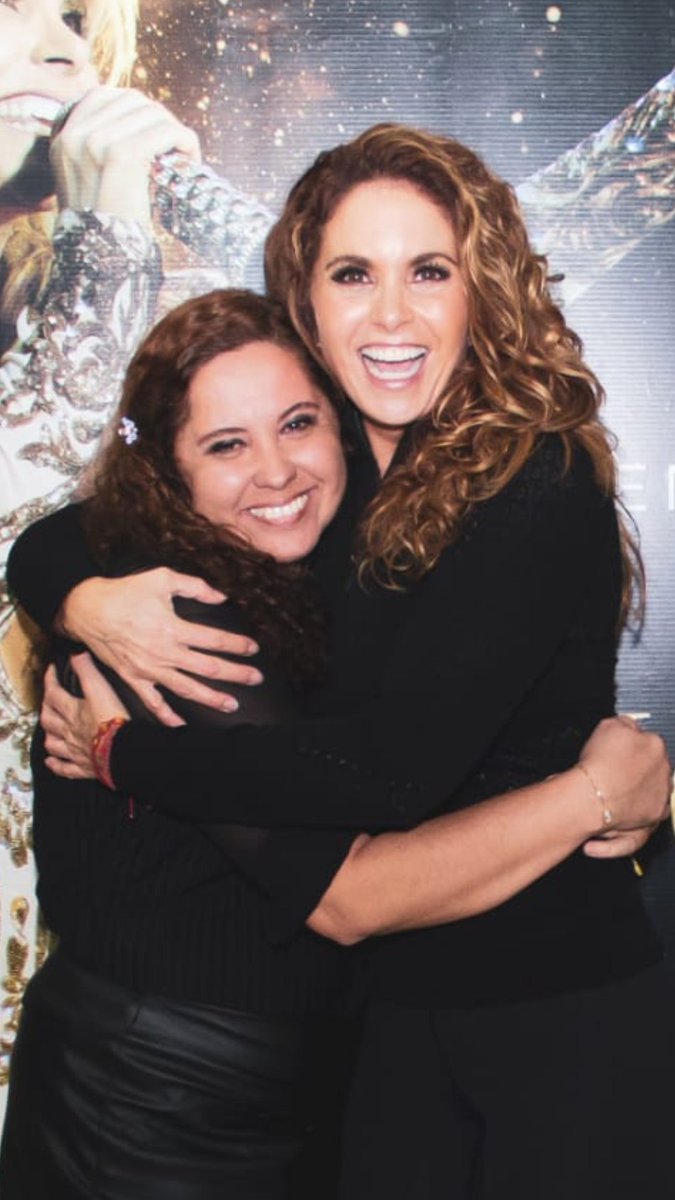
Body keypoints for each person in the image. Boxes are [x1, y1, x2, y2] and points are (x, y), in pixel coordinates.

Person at [9, 124, 675, 1198]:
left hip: (546, 1016)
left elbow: (387, 773)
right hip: (371, 1040)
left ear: (481, 289)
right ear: (307, 302)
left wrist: (125, 754)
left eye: (430, 271)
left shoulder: (533, 480)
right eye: (354, 273)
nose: (393, 313)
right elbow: (62, 536)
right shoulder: (342, 480)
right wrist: (81, 595)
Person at [0, 0, 274, 1089]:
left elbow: (440, 315)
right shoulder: (98, 273)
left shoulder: (103, 290)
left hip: (67, 959)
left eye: (76, 15)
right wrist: (107, 251)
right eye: (13, 6)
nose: (62, 45)